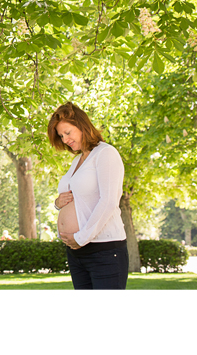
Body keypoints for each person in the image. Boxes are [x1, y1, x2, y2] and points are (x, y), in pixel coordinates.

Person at [48, 101, 128, 290]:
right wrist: (58, 203)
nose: (65, 139)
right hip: (78, 252)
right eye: (61, 136)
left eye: (68, 132)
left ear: (82, 125)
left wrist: (81, 237)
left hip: (105, 250)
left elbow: (109, 201)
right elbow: (76, 196)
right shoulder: (79, 159)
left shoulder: (105, 153)